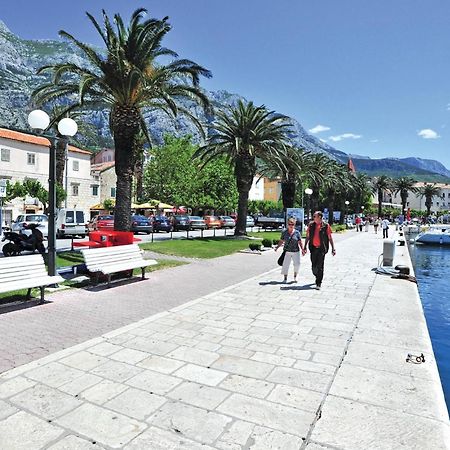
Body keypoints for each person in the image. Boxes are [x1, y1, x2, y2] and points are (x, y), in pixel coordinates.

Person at [303, 211, 336, 290]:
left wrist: (333, 248)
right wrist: (304, 247)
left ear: (320, 217)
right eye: (313, 216)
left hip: (322, 248)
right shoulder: (311, 225)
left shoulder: (326, 226)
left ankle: (319, 282)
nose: (313, 217)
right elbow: (307, 237)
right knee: (314, 266)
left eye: (315, 216)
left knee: (320, 266)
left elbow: (329, 237)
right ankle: (317, 275)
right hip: (313, 248)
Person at [275, 217, 304, 283]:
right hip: (287, 251)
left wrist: (302, 249)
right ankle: (285, 278)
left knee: (297, 264)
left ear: (294, 224)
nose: (291, 226)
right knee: (285, 265)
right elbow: (281, 241)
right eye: (289, 224)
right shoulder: (284, 232)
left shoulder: (297, 233)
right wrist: (277, 247)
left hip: (295, 251)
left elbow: (300, 241)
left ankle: (295, 276)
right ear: (287, 224)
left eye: (292, 224)